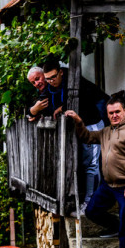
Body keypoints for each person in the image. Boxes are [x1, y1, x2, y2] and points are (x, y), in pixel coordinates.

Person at [67, 93, 125, 248]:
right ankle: (114, 225)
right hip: (108, 185)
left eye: (117, 112)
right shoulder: (106, 131)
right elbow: (87, 137)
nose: (114, 115)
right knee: (91, 211)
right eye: (111, 113)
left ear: (124, 111)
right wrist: (79, 121)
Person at [41, 55, 108, 207]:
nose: (51, 81)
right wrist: (33, 111)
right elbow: (42, 99)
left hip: (91, 123)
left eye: (53, 77)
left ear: (60, 72)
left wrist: (63, 108)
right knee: (84, 163)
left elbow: (83, 99)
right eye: (47, 79)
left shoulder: (75, 81)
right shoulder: (50, 86)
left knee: (92, 164)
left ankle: (91, 202)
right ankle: (89, 199)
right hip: (76, 129)